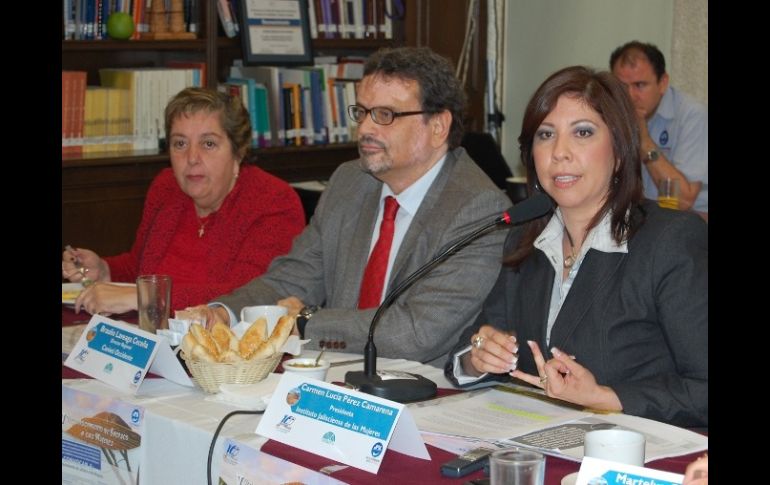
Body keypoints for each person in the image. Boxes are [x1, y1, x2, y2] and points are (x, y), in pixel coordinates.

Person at [187, 46, 510, 367]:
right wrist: (224, 313)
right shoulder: (350, 181)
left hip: (425, 392)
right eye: (362, 112)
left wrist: (306, 321)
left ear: (438, 126)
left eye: (385, 115)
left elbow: (415, 333)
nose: (366, 129)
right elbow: (294, 278)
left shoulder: (477, 209)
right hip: (337, 377)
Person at [444, 66, 708, 427]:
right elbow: (470, 346)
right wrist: (479, 355)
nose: (559, 152)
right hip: (540, 445)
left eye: (582, 133)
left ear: (619, 150)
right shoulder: (527, 239)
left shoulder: (670, 241)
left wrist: (607, 397)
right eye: (545, 135)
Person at [62, 87, 305, 315]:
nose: (191, 158)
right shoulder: (166, 187)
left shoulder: (273, 201)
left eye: (208, 143)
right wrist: (105, 270)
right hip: (153, 334)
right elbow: (142, 267)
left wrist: (145, 296)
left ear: (238, 151)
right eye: (180, 143)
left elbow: (249, 295)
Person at [610, 41, 708, 221]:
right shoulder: (612, 116)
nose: (630, 96)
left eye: (640, 85)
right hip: (643, 220)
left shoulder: (692, 115)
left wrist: (644, 141)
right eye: (622, 87)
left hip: (692, 223)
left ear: (662, 83)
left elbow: (683, 201)